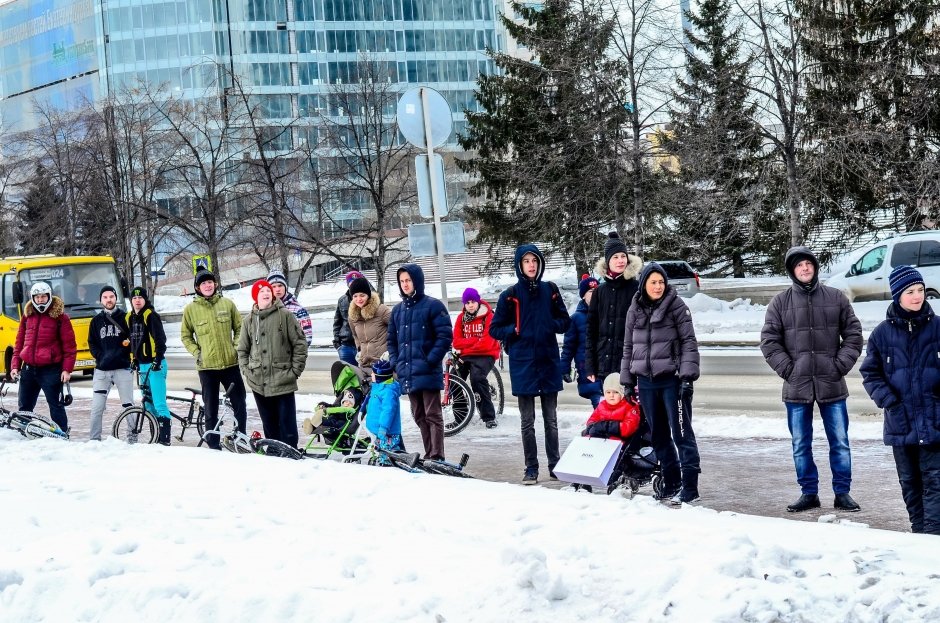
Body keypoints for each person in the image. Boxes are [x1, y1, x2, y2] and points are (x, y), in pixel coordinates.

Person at [760, 246, 863, 513]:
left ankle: (843, 493)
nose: (805, 268)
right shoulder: (780, 303)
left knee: (839, 441)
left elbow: (853, 335)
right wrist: (789, 370)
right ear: (792, 271)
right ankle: (809, 493)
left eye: (808, 263)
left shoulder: (836, 298)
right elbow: (769, 342)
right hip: (797, 386)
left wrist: (839, 365)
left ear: (815, 267)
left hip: (832, 384)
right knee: (800, 444)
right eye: (799, 265)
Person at [860, 266, 940, 533]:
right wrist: (889, 401)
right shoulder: (882, 334)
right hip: (900, 421)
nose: (917, 297)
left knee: (935, 479)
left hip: (934, 420)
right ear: (897, 295)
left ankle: (932, 533)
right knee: (909, 480)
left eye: (920, 291)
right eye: (910, 292)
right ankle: (919, 530)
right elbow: (870, 373)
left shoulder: (938, 328)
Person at [489, 244, 571, 485]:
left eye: (534, 260)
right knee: (527, 422)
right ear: (519, 265)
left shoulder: (550, 290)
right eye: (526, 261)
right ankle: (531, 468)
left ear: (540, 263)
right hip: (523, 364)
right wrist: (513, 330)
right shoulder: (510, 295)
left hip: (547, 362)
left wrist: (550, 325)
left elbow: (564, 320)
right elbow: (494, 329)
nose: (531, 265)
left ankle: (555, 465)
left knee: (551, 420)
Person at [620, 262, 701, 504]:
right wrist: (627, 381)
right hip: (646, 382)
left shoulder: (677, 306)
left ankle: (690, 486)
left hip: (673, 381)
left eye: (661, 282)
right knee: (658, 435)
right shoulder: (634, 309)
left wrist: (687, 377)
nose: (658, 286)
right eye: (653, 282)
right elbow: (628, 348)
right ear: (644, 284)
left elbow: (689, 343)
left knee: (681, 433)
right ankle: (672, 480)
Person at [387, 264, 452, 460]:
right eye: (402, 281)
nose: (405, 284)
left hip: (427, 370)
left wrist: (430, 359)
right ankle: (428, 452)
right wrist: (395, 362)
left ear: (417, 281)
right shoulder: (397, 311)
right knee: (419, 415)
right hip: (407, 371)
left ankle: (437, 455)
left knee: (433, 414)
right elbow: (391, 341)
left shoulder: (433, 306)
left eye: (408, 280)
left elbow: (444, 336)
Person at [181, 270, 249, 449]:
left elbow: (240, 328)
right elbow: (186, 336)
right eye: (203, 283)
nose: (208, 285)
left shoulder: (227, 304)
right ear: (197, 288)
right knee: (210, 408)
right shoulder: (190, 310)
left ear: (215, 284)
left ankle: (240, 438)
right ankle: (213, 444)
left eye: (210, 282)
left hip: (230, 364)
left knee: (240, 403)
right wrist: (197, 353)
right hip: (207, 368)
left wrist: (235, 348)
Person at [237, 280, 307, 449]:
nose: (266, 293)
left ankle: (291, 452)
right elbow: (242, 350)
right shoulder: (248, 321)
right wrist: (248, 371)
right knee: (269, 423)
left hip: (283, 379)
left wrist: (295, 371)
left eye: (268, 290)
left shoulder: (285, 315)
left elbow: (300, 343)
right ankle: (274, 454)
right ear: (256, 297)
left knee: (286, 423)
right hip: (258, 381)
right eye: (261, 292)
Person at [10, 282, 76, 433]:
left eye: (43, 296)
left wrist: (67, 370)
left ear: (49, 297)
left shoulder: (61, 318)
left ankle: (62, 434)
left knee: (56, 405)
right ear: (33, 298)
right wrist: (15, 365)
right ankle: (23, 433)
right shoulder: (27, 317)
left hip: (51, 370)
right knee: (25, 406)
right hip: (28, 369)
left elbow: (70, 347)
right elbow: (19, 343)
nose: (40, 300)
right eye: (37, 297)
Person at [585, 231, 644, 384]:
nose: (620, 261)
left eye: (623, 256)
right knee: (607, 406)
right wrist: (590, 365)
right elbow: (591, 330)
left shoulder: (637, 289)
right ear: (608, 261)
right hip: (603, 363)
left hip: (629, 363)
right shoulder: (599, 291)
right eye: (615, 257)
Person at [575, 373, 643, 492]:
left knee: (616, 457)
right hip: (601, 441)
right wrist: (593, 427)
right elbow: (591, 421)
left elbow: (628, 427)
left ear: (622, 393)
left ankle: (615, 479)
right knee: (585, 447)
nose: (611, 395)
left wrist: (608, 426)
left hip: (618, 442)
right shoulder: (602, 406)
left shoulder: (630, 406)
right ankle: (580, 479)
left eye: (616, 392)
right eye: (608, 392)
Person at [87, 285, 135, 441]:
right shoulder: (96, 321)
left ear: (116, 298)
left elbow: (134, 340)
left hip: (123, 369)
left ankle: (132, 439)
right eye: (105, 297)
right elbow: (92, 343)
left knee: (129, 406)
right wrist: (101, 356)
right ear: (101, 300)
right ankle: (94, 440)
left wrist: (126, 354)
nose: (109, 300)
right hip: (102, 371)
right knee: (97, 407)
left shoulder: (126, 318)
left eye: (111, 297)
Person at [126, 286, 170, 445]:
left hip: (155, 365)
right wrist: (133, 359)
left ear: (145, 299)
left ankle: (165, 440)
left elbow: (161, 340)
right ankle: (155, 437)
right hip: (142, 367)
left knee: (159, 404)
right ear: (131, 301)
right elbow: (132, 341)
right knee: (148, 404)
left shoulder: (151, 315)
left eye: (140, 298)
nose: (137, 300)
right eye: (134, 298)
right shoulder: (129, 317)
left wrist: (158, 359)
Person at [452, 287, 501, 428]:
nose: (470, 305)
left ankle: (488, 417)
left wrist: (467, 344)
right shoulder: (461, 318)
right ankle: (460, 417)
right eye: (467, 303)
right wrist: (475, 340)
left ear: (478, 301)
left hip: (486, 354)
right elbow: (456, 342)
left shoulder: (488, 316)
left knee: (477, 378)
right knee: (454, 379)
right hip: (466, 355)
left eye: (473, 301)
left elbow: (487, 343)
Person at [560, 274, 603, 407]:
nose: (594, 294)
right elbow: (569, 347)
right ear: (583, 295)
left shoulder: (607, 314)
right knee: (600, 404)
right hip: (588, 369)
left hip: (606, 367)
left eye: (597, 291)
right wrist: (564, 369)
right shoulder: (576, 318)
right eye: (591, 292)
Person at [347, 276, 391, 373]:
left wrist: (391, 352)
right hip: (365, 365)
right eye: (355, 296)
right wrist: (359, 351)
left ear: (368, 295)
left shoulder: (381, 310)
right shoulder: (352, 317)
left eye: (362, 295)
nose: (359, 299)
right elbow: (355, 335)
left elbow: (397, 330)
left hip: (383, 364)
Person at [366, 355, 406, 463]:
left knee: (388, 454)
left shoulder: (388, 392)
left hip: (387, 432)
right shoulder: (377, 387)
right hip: (379, 431)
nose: (371, 375)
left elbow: (388, 411)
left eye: (373, 373)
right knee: (381, 451)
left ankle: (390, 465)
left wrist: (383, 428)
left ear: (379, 376)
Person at [267, 270, 313, 347]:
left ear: (285, 287)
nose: (277, 289)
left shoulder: (299, 310)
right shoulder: (266, 310)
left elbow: (307, 338)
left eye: (280, 285)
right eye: (273, 286)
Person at [333, 270, 364, 365]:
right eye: (351, 283)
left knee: (364, 376)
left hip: (363, 345)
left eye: (356, 282)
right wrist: (338, 344)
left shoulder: (365, 299)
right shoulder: (342, 300)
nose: (353, 285)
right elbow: (337, 322)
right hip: (346, 346)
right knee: (348, 376)